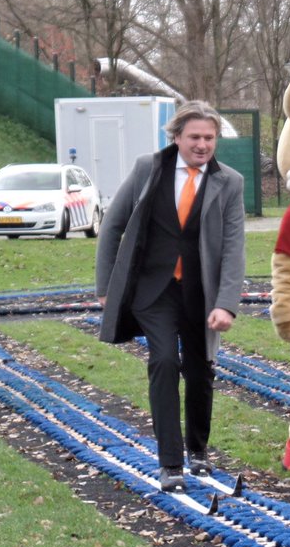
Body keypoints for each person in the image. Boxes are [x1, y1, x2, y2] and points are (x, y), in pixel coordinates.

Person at [96, 101, 246, 489]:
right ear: (176, 136)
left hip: (201, 293)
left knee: (200, 372)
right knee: (163, 361)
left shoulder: (229, 182)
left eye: (209, 138)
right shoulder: (149, 168)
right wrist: (105, 289)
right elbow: (113, 227)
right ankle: (170, 463)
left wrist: (226, 303)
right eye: (194, 137)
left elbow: (233, 247)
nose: (202, 145)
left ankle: (198, 451)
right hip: (154, 290)